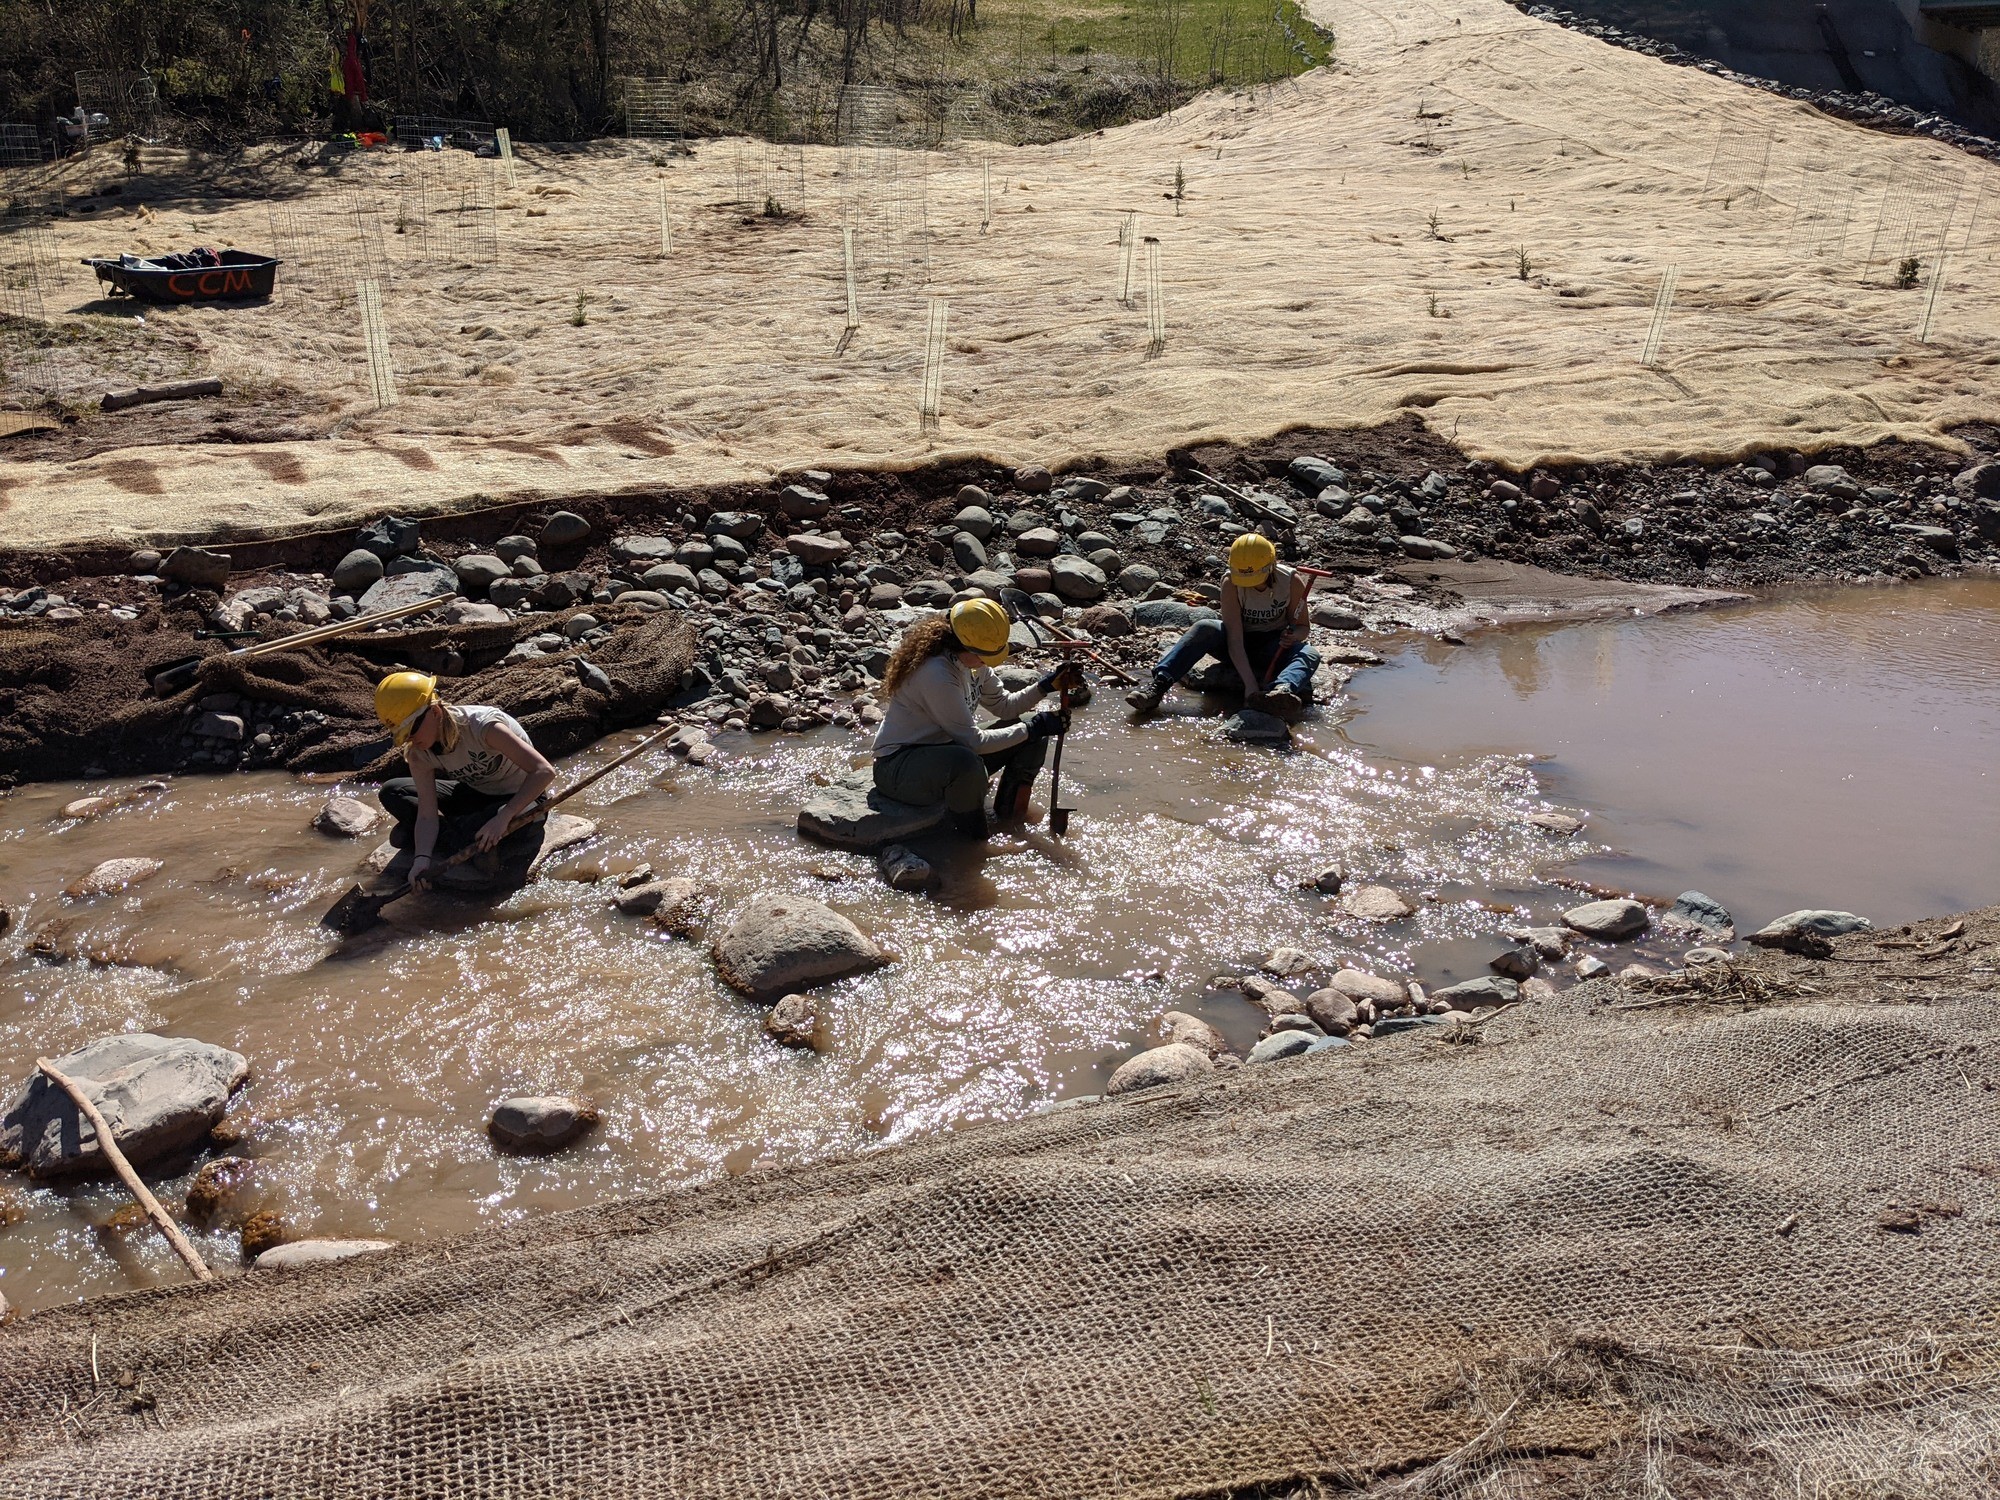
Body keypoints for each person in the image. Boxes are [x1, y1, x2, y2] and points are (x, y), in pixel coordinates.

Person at [872, 598, 1082, 837]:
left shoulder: (973, 664)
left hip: (942, 750)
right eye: (984, 656)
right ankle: (973, 840)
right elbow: (974, 743)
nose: (986, 663)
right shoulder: (936, 674)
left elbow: (1005, 706)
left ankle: (1009, 821)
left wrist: (1046, 686)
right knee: (967, 764)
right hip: (898, 767)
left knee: (1031, 735)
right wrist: (1034, 727)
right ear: (964, 645)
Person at [372, 672, 557, 888]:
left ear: (434, 711)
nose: (410, 740)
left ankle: (454, 836)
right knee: (393, 791)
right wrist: (421, 859)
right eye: (403, 736)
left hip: (519, 798)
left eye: (411, 731)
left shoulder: (483, 727)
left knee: (522, 820)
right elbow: (426, 813)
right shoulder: (418, 754)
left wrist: (504, 817)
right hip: (475, 793)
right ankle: (469, 838)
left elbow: (544, 771)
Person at [1125, 532, 1320, 720]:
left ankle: (1279, 693)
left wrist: (1294, 637)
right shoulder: (1231, 581)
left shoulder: (1290, 581)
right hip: (1237, 643)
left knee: (1309, 653)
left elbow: (1303, 628)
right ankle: (1157, 687)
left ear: (1270, 566)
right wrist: (1250, 685)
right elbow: (1234, 639)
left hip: (1273, 646)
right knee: (1204, 628)